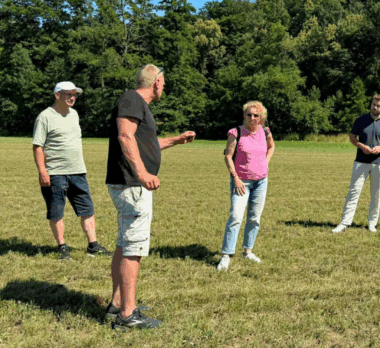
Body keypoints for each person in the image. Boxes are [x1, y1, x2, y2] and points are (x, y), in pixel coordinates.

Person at [105, 64, 196, 329]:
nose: (164, 87)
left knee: (125, 244)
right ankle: (127, 316)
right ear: (156, 82)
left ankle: (118, 304)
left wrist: (176, 140)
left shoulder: (136, 104)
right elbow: (125, 136)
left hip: (131, 184)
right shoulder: (132, 100)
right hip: (132, 185)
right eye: (163, 82)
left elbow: (145, 143)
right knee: (133, 248)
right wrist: (143, 173)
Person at [32, 81, 110, 260]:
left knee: (87, 210)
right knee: (57, 211)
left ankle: (93, 245)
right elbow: (38, 146)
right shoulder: (45, 117)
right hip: (55, 173)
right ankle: (62, 247)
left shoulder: (74, 114)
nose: (72, 97)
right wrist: (43, 171)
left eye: (74, 94)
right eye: (68, 94)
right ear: (57, 95)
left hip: (78, 171)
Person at [217, 101, 275, 271]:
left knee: (254, 218)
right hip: (241, 182)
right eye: (249, 114)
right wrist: (235, 177)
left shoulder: (265, 132)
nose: (252, 118)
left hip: (261, 181)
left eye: (255, 115)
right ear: (244, 115)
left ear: (261, 117)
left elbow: (271, 147)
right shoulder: (236, 133)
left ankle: (248, 251)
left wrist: (266, 162)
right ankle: (226, 255)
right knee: (236, 216)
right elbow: (228, 156)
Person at [332, 94, 380, 233]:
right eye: (373, 104)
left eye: (378, 105)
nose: (375, 107)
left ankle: (372, 223)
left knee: (376, 194)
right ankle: (345, 223)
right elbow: (352, 137)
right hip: (361, 161)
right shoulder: (360, 120)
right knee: (353, 192)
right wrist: (361, 146)